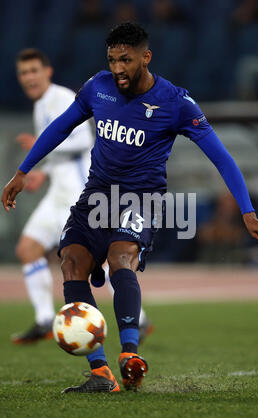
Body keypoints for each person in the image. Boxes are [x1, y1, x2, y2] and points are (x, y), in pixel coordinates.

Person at [2, 23, 258, 393]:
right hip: (96, 195)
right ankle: (99, 372)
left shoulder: (177, 103)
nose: (118, 69)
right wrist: (23, 171)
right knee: (71, 263)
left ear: (146, 57)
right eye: (112, 60)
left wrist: (247, 211)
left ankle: (130, 355)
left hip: (141, 199)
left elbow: (222, 158)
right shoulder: (97, 87)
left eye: (126, 60)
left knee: (120, 259)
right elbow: (60, 128)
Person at [11, 47, 153, 346]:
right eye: (24, 73)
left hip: (79, 193)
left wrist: (41, 148)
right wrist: (45, 171)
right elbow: (62, 150)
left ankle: (137, 321)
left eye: (34, 70)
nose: (29, 78)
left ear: (47, 72)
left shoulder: (60, 97)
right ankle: (44, 320)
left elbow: (83, 140)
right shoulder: (41, 106)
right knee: (28, 249)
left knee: (98, 262)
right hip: (57, 193)